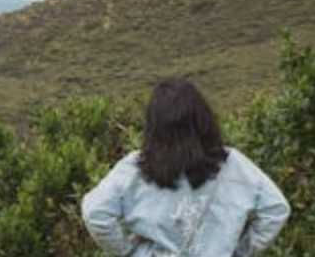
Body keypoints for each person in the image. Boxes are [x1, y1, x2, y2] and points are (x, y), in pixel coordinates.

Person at [81, 79, 290, 256]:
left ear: (154, 126)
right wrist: (240, 250)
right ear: (203, 120)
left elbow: (95, 212)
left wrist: (127, 251)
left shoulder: (135, 167)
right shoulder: (232, 164)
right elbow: (276, 209)